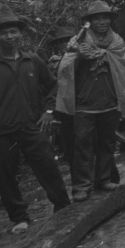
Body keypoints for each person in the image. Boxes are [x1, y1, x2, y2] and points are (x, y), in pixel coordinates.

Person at [0, 13, 71, 233]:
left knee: (48, 167)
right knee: (5, 176)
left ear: (20, 34)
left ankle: (62, 207)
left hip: (32, 126)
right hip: (2, 131)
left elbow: (53, 85)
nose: (9, 36)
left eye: (13, 31)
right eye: (3, 32)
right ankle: (19, 219)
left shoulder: (32, 60)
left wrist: (49, 111)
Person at [55, 0, 125, 202]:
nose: (102, 21)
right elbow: (64, 69)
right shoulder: (77, 41)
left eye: (105, 17)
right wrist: (79, 55)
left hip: (110, 100)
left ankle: (103, 179)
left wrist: (102, 54)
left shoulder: (117, 42)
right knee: (82, 145)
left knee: (107, 142)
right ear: (89, 21)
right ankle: (81, 185)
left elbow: (122, 66)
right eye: (97, 18)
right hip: (84, 103)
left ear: (110, 20)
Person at [46, 26, 77, 166]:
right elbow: (50, 85)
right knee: (67, 136)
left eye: (68, 40)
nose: (64, 44)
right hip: (62, 106)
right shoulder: (54, 63)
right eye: (61, 41)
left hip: (81, 103)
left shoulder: (81, 57)